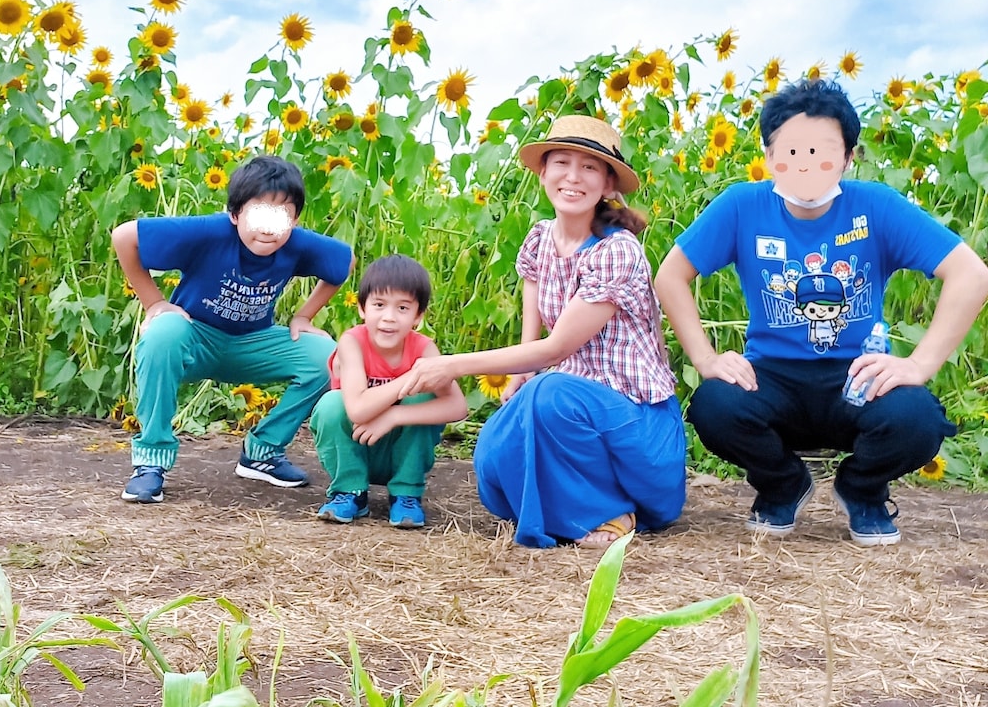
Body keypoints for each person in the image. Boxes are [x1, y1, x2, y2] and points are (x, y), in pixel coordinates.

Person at [655, 78, 988, 547]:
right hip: (771, 376)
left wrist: (920, 364)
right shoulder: (741, 206)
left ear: (849, 157)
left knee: (918, 419)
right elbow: (670, 276)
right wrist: (706, 359)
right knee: (714, 405)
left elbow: (971, 275)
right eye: (791, 152)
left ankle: (863, 490)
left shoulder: (875, 206)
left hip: (857, 377)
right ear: (770, 157)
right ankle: (782, 484)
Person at [399, 115, 686, 549]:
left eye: (589, 167)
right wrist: (518, 378)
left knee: (550, 394)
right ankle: (568, 505)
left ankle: (614, 512)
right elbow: (531, 344)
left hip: (636, 424)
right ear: (543, 172)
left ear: (609, 185)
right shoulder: (538, 240)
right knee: (493, 452)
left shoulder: (617, 252)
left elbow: (555, 349)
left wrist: (450, 366)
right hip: (569, 404)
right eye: (562, 162)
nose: (573, 177)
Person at [112, 154, 353, 504]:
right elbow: (124, 237)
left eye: (281, 216)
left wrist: (304, 316)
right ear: (235, 213)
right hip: (196, 337)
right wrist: (154, 303)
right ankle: (151, 460)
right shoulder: (209, 232)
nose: (269, 229)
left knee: (328, 357)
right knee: (162, 333)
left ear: (295, 220)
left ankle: (263, 452)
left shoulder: (297, 244)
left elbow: (344, 262)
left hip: (253, 344)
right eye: (258, 215)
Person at [310, 254, 467, 530]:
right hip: (356, 448)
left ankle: (406, 494)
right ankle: (350, 492)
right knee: (331, 405)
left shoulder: (423, 349)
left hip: (402, 452)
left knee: (425, 395)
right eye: (379, 305)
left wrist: (395, 416)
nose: (389, 318)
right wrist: (413, 376)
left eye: (403, 308)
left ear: (418, 316)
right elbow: (357, 409)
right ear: (362, 308)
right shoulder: (352, 343)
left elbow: (458, 407)